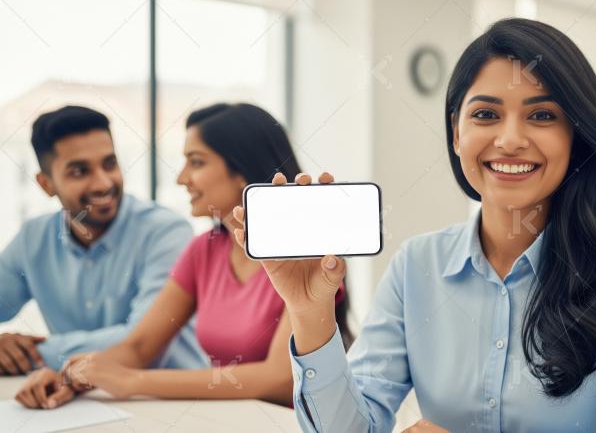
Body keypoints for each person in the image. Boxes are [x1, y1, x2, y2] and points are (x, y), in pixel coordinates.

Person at [234, 19, 596, 432]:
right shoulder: (417, 268)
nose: (511, 139)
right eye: (486, 114)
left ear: (576, 136)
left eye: (542, 115)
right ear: (456, 131)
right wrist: (310, 312)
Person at [15, 103, 350, 410]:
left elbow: (281, 379)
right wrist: (70, 377)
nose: (181, 178)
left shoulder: (305, 252)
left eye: (196, 162)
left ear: (241, 170)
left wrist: (133, 381)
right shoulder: (204, 250)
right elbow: (140, 346)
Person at [0, 105, 205, 377]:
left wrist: (29, 352)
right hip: (78, 403)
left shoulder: (166, 232)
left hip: (171, 403)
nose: (103, 183)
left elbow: (141, 344)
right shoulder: (32, 240)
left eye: (110, 164)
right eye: (79, 171)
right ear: (46, 184)